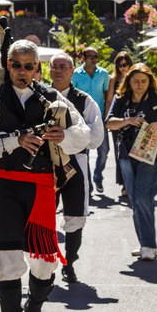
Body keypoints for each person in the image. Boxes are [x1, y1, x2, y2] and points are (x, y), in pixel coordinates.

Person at [0, 39, 89, 312]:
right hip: (4, 184)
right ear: (7, 65)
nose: (22, 71)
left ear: (38, 68)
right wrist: (15, 140)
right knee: (7, 257)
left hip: (41, 186)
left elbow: (85, 133)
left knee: (43, 260)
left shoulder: (53, 97)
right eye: (16, 65)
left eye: (29, 66)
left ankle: (34, 305)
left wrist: (63, 135)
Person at [49, 52, 105, 284]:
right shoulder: (38, 95)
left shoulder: (85, 101)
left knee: (74, 216)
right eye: (54, 67)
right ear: (48, 70)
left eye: (63, 66)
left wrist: (68, 138)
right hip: (45, 166)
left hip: (76, 165)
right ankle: (45, 262)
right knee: (43, 216)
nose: (58, 70)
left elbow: (96, 137)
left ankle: (69, 263)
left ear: (72, 71)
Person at [106, 63, 157, 261]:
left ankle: (148, 245)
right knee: (135, 199)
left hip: (150, 155)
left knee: (143, 196)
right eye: (135, 81)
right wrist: (127, 121)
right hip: (126, 153)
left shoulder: (154, 99)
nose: (139, 84)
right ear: (128, 81)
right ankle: (146, 242)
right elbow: (109, 123)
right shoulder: (121, 99)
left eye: (144, 81)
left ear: (149, 82)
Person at [72, 47, 110, 194]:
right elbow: (72, 96)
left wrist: (107, 116)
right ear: (83, 57)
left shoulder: (103, 74)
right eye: (90, 56)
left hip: (99, 118)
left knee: (104, 150)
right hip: (81, 119)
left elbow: (107, 96)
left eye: (96, 56)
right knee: (84, 153)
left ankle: (98, 175)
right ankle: (88, 183)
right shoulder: (76, 74)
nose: (93, 59)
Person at [105, 51, 134, 199]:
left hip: (134, 118)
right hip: (118, 119)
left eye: (126, 64)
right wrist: (108, 118)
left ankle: (133, 183)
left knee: (133, 152)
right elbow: (110, 99)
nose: (124, 67)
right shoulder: (114, 79)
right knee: (120, 154)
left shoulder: (135, 78)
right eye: (120, 64)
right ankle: (124, 184)